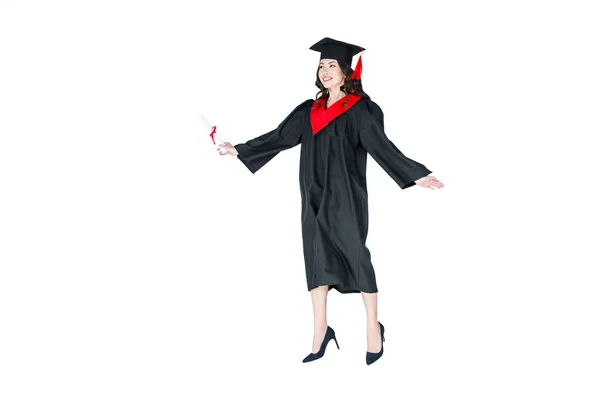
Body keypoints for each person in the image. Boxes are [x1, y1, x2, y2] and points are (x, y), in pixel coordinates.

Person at [217, 37, 444, 365]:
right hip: (312, 194)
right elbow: (280, 137)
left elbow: (381, 146)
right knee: (316, 257)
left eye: (332, 66)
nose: (325, 71)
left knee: (356, 254)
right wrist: (237, 149)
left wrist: (416, 174)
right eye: (322, 65)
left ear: (346, 71)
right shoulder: (308, 110)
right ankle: (321, 331)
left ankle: (372, 328)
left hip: (346, 197)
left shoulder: (361, 110)